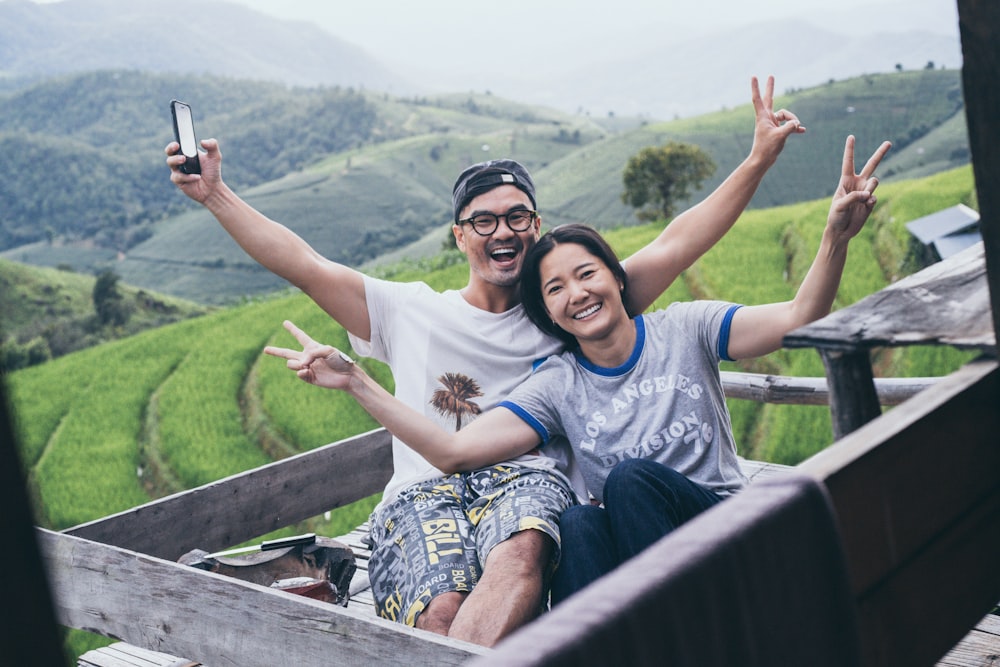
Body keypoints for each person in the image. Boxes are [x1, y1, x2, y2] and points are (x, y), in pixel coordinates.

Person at [167, 76, 804, 645]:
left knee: (526, 552)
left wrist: (757, 159)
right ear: (460, 235)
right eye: (483, 220)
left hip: (528, 484)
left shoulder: (568, 305)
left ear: (536, 223)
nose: (503, 231)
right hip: (422, 494)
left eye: (517, 215)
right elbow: (303, 264)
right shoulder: (408, 310)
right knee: (442, 617)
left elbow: (681, 240)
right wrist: (217, 196)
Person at [264, 134, 890, 606]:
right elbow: (453, 451)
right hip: (628, 538)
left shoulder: (686, 327)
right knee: (583, 521)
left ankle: (675, 634)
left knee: (627, 483)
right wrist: (357, 381)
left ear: (620, 279)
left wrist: (821, 223)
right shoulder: (556, 380)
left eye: (587, 274)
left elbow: (749, 280)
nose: (577, 294)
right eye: (556, 288)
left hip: (724, 527)